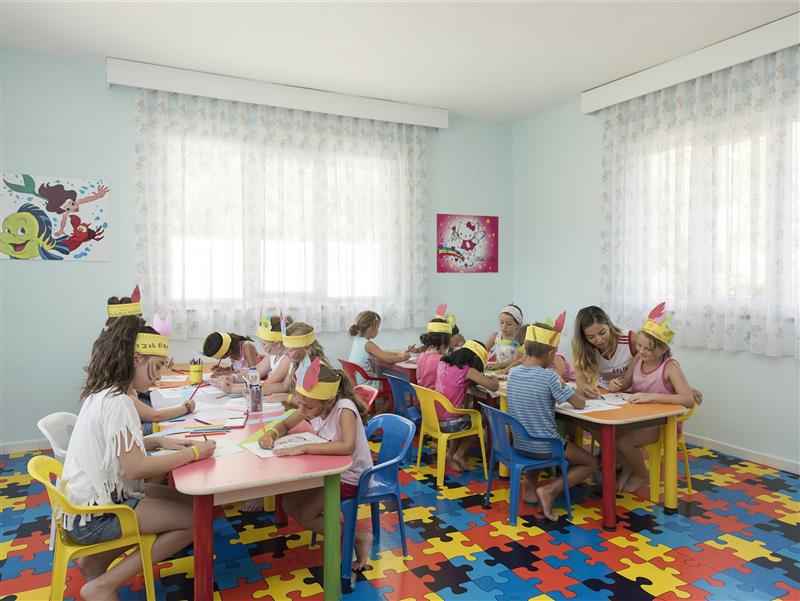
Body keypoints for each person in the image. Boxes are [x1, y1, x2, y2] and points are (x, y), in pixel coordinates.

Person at [61, 316, 215, 601]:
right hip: (96, 516)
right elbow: (134, 468)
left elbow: (113, 450)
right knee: (197, 521)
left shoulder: (104, 392)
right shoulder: (119, 403)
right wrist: (192, 453)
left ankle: (95, 561)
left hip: (81, 508)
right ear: (136, 359)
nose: (157, 377)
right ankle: (104, 585)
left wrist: (157, 441)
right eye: (155, 367)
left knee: (188, 500)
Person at [258, 359, 373, 571]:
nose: (302, 409)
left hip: (351, 477)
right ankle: (344, 528)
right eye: (301, 404)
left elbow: (347, 446)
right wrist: (272, 434)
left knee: (305, 514)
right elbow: (286, 423)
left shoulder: (344, 409)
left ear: (329, 401)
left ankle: (356, 537)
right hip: (328, 470)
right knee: (289, 502)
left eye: (308, 407)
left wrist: (305, 448)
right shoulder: (311, 404)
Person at [506, 314, 597, 520]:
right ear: (549, 353)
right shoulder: (549, 377)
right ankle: (550, 490)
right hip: (546, 447)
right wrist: (566, 386)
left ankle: (530, 489)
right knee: (591, 463)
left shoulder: (513, 374)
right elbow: (579, 403)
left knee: (533, 429)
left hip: (520, 445)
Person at [607, 303, 698, 492]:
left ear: (663, 349)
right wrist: (616, 384)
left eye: (648, 349)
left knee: (622, 441)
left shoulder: (670, 366)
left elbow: (688, 399)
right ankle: (629, 467)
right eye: (639, 346)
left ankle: (641, 474)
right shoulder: (638, 359)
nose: (641, 352)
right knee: (610, 434)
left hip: (663, 424)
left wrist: (651, 397)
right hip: (637, 418)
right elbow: (626, 382)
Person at [435, 340, 498, 472]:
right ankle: (459, 454)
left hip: (436, 417)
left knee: (465, 413)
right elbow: (493, 386)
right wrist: (494, 378)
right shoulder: (467, 370)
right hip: (451, 422)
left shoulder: (443, 363)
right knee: (482, 419)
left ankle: (450, 454)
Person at [348, 311, 409, 383]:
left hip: (356, 382)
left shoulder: (357, 340)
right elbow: (388, 359)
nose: (378, 331)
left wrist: (398, 353)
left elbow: (382, 353)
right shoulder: (368, 344)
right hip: (366, 384)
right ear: (370, 328)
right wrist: (403, 357)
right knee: (396, 380)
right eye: (377, 328)